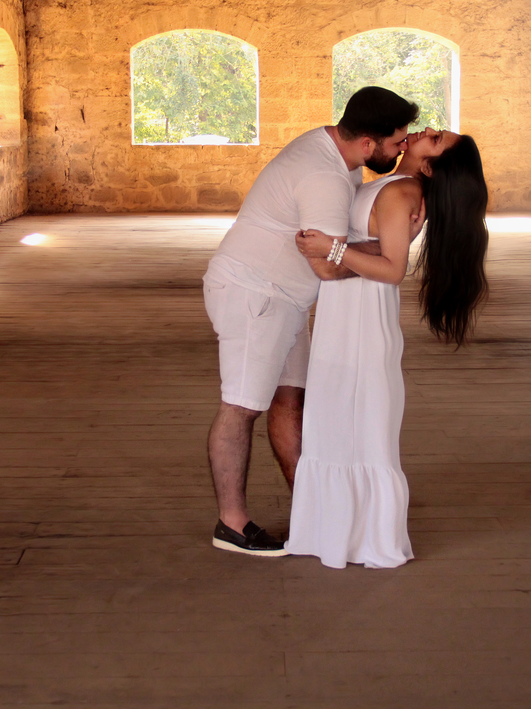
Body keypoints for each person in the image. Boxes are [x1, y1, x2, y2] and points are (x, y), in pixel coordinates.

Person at [203, 87, 420, 556]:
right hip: (255, 295)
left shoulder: (336, 153)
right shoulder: (325, 176)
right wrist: (390, 250)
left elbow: (333, 248)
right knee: (241, 406)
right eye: (397, 141)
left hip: (283, 299)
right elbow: (326, 265)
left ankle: (313, 509)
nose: (402, 147)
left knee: (290, 401)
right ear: (368, 142)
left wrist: (377, 244)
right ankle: (232, 524)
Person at [286, 130, 489, 568]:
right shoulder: (392, 184)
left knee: (357, 423)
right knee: (337, 420)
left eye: (434, 139)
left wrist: (331, 249)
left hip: (362, 318)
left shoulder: (403, 192)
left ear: (429, 166)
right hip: (344, 312)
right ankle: (336, 533)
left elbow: (393, 269)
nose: (424, 131)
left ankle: (365, 537)